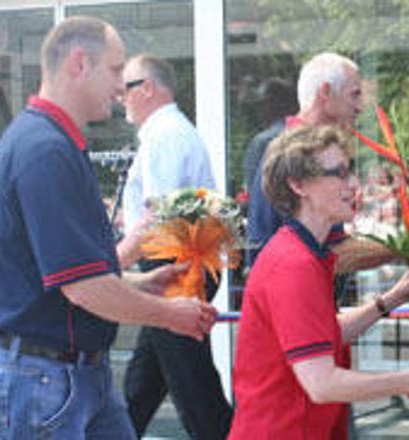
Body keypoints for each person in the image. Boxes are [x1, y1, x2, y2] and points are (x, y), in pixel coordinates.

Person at [0, 16, 217, 440]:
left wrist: (144, 285)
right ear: (79, 63)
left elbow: (70, 276)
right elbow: (82, 288)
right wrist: (169, 314)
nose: (122, 87)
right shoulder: (45, 150)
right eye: (117, 70)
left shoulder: (50, 144)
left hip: (64, 375)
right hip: (42, 379)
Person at [228, 125, 409, 439]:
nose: (354, 184)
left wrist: (388, 301)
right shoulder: (294, 264)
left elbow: (322, 338)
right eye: (340, 174)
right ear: (299, 185)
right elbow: (322, 384)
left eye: (352, 172)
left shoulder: (304, 253)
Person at [118, 54, 232, 439]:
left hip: (173, 268)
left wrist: (115, 260)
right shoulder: (168, 131)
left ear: (146, 88)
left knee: (194, 390)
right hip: (175, 266)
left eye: (125, 89)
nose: (120, 98)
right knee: (144, 385)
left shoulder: (164, 134)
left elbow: (158, 217)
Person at [246, 52, 393, 272]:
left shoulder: (310, 149)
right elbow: (320, 254)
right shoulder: (281, 151)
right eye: (354, 95)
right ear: (325, 92)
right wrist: (404, 248)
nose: (360, 107)